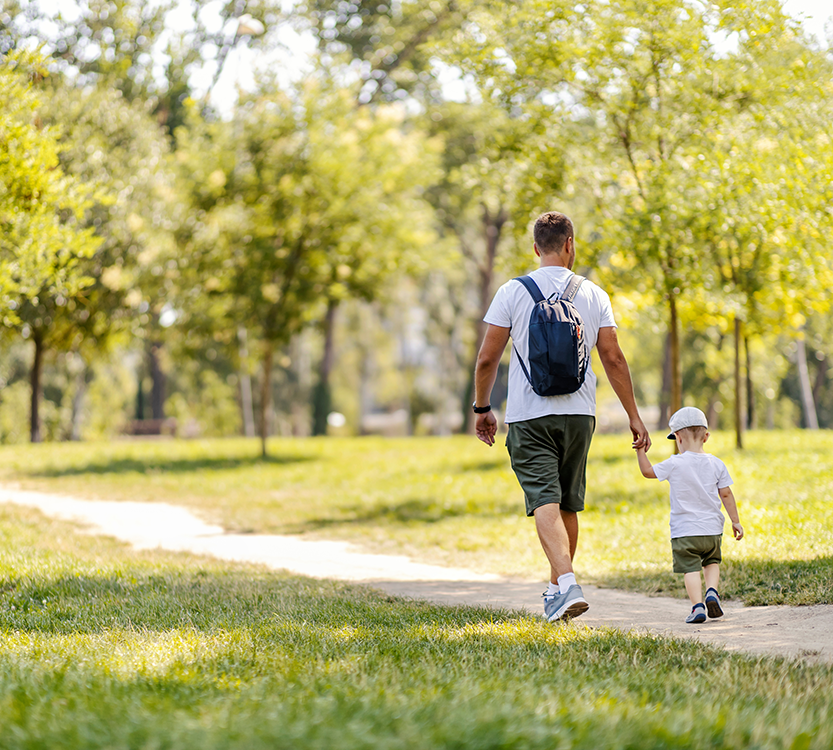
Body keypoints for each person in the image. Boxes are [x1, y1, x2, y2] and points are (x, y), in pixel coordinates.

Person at [473, 211, 651, 622]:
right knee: (567, 503)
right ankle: (556, 591)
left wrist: (483, 408)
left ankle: (567, 584)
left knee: (544, 500)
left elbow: (486, 359)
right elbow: (613, 358)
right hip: (579, 414)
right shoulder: (594, 294)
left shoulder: (512, 291)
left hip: (529, 415)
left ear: (536, 248)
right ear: (570, 244)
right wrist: (634, 416)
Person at [635, 406, 744, 624]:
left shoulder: (674, 463)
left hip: (685, 532)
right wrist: (736, 521)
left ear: (678, 438)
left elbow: (647, 472)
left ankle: (697, 607)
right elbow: (726, 493)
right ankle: (712, 592)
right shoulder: (717, 463)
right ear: (706, 437)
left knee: (691, 568)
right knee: (712, 561)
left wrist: (640, 450)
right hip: (712, 530)